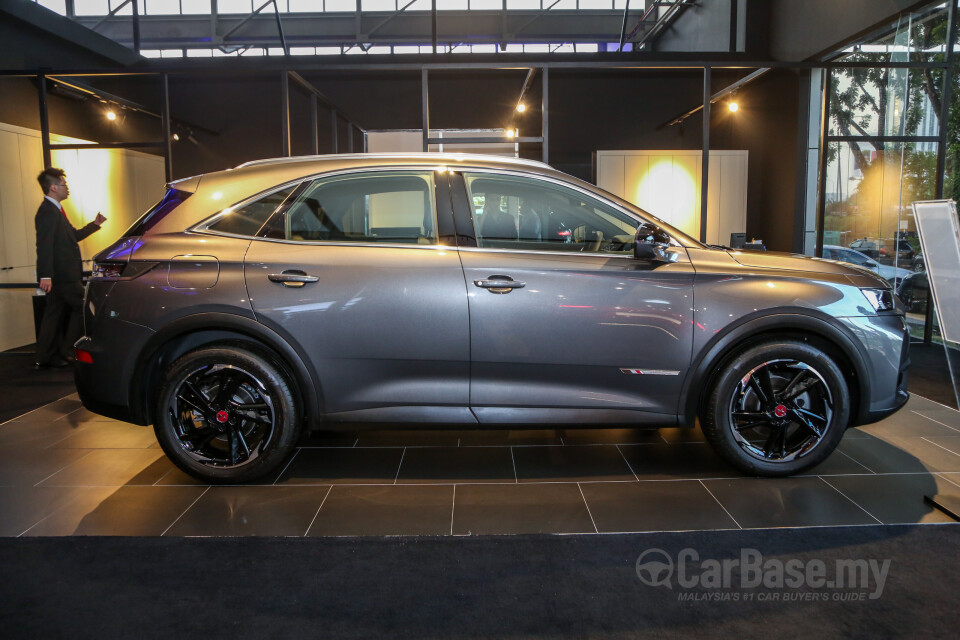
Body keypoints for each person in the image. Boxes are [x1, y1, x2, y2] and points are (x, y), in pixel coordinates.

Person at [34, 167, 106, 369]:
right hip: (62, 275)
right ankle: (66, 350)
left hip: (61, 275)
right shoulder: (48, 212)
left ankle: (45, 356)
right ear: (53, 187)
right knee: (82, 308)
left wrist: (94, 224)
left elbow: (73, 236)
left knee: (53, 313)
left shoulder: (56, 210)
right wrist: (45, 275)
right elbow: (44, 245)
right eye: (64, 185)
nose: (68, 189)